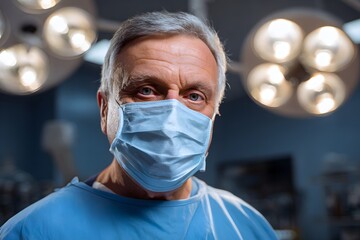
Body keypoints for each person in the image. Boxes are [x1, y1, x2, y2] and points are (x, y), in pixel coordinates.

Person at [0, 11, 278, 239]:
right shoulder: (33, 231)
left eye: (194, 96)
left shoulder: (247, 226)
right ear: (105, 108)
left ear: (214, 113)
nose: (172, 116)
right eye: (147, 90)